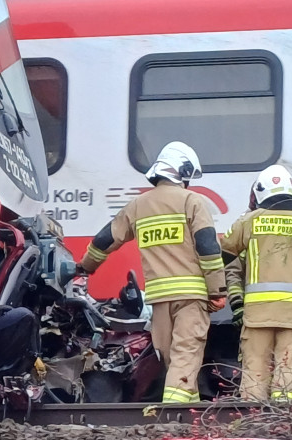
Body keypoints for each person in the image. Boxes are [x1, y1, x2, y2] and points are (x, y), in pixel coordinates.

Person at [79, 141, 226, 404]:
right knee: (186, 353)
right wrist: (217, 290)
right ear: (182, 172)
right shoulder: (192, 201)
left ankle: (185, 409)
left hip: (158, 298)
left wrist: (85, 267)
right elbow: (207, 247)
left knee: (171, 357)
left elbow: (105, 239)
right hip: (191, 295)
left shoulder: (138, 206)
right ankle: (175, 411)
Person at [222, 165, 292, 401]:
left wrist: (232, 297)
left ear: (261, 191)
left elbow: (225, 255)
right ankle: (284, 421)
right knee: (289, 370)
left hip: (257, 312)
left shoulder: (249, 221)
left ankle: (253, 420)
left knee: (255, 369)